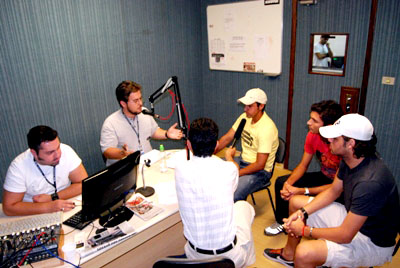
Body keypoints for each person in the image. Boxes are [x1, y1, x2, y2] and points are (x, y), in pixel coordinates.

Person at [264, 113, 400, 268]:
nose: (329, 140)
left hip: (372, 242)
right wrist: (303, 213)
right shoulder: (350, 158)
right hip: (353, 221)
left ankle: (304, 258)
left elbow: (345, 235)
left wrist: (304, 230)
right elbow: (333, 192)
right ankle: (288, 256)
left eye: (335, 138)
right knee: (296, 203)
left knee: (304, 253)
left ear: (351, 143)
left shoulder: (370, 183)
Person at [175, 118, 256, 268]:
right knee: (245, 207)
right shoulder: (228, 169)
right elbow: (234, 173)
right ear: (216, 145)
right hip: (229, 259)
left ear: (189, 144)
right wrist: (229, 157)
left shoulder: (180, 170)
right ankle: (247, 264)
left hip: (194, 258)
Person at [265, 100, 344, 236]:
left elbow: (336, 188)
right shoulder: (312, 136)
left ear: (328, 126)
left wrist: (302, 191)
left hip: (341, 186)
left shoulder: (341, 144)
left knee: (307, 195)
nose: (308, 123)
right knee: (281, 182)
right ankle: (282, 222)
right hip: (325, 176)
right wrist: (288, 185)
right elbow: (303, 165)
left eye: (314, 121)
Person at [3, 125, 88, 216]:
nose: (57, 155)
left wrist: (53, 198)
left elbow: (83, 184)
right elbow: (9, 208)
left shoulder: (66, 150)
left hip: (65, 205)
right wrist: (48, 207)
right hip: (34, 212)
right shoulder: (18, 167)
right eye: (50, 152)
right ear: (34, 153)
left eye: (58, 148)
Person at [215, 88, 278, 202]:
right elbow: (227, 138)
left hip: (260, 172)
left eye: (250, 106)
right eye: (245, 105)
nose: (245, 109)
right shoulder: (245, 117)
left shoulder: (267, 128)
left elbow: (260, 164)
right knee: (212, 170)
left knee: (233, 195)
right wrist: (206, 153)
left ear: (261, 106)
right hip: (242, 161)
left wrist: (236, 173)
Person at [100, 80, 183, 166]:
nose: (140, 103)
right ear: (123, 104)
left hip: (148, 164)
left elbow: (154, 131)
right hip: (126, 169)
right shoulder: (110, 123)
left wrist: (166, 134)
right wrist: (123, 153)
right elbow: (107, 151)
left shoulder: (144, 112)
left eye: (140, 98)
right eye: (136, 101)